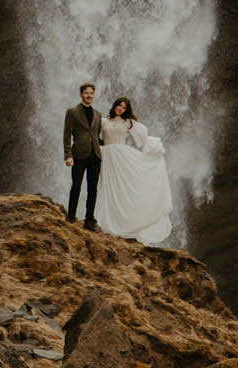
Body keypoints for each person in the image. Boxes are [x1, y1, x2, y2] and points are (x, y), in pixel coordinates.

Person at [98, 94, 173, 245]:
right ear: (114, 105)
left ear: (126, 110)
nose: (120, 108)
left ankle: (127, 224)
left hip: (122, 157)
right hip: (106, 156)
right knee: (108, 189)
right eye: (119, 105)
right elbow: (96, 136)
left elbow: (143, 134)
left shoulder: (128, 123)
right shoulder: (103, 120)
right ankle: (110, 223)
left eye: (124, 107)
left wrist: (150, 148)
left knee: (122, 190)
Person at [63, 81, 102, 231]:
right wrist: (68, 155)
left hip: (95, 156)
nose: (89, 95)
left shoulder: (98, 114)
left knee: (93, 189)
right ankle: (71, 216)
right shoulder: (72, 112)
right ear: (81, 94)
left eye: (91, 93)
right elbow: (66, 135)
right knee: (76, 186)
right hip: (78, 155)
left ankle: (89, 220)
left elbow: (96, 136)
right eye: (86, 93)